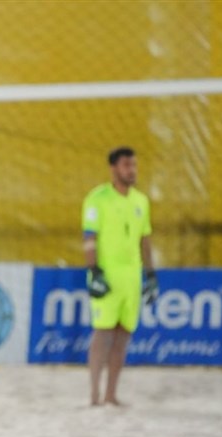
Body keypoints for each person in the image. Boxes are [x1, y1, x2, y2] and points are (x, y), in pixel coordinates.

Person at [82, 146, 158, 407]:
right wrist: (93, 272)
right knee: (102, 332)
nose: (132, 170)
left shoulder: (141, 201)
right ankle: (94, 394)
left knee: (124, 334)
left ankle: (111, 394)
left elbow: (145, 241)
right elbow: (89, 238)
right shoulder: (97, 198)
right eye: (127, 165)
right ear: (114, 168)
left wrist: (150, 275)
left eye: (134, 165)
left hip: (132, 277)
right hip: (107, 273)